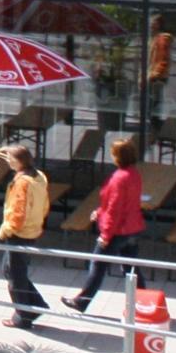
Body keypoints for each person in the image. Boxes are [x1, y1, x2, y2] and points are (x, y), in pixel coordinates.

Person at [63, 135, 148, 314]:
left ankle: (82, 301)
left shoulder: (118, 178)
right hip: (132, 227)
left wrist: (105, 235)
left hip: (117, 231)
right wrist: (101, 212)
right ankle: (144, 302)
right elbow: (123, 204)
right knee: (131, 268)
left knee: (98, 265)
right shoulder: (134, 174)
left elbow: (115, 209)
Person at [0, 144, 52, 329]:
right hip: (32, 229)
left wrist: (6, 230)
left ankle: (23, 315)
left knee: (14, 274)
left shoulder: (22, 183)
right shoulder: (38, 177)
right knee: (10, 270)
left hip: (20, 232)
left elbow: (18, 212)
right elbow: (44, 204)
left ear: (19, 160)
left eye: (9, 157)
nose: (7, 160)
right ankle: (35, 304)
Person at [146, 16, 174, 118]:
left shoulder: (162, 39)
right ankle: (153, 124)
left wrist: (154, 75)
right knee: (153, 102)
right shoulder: (156, 38)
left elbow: (163, 59)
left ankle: (154, 126)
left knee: (154, 103)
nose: (151, 25)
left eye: (153, 22)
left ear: (158, 25)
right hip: (155, 75)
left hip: (156, 77)